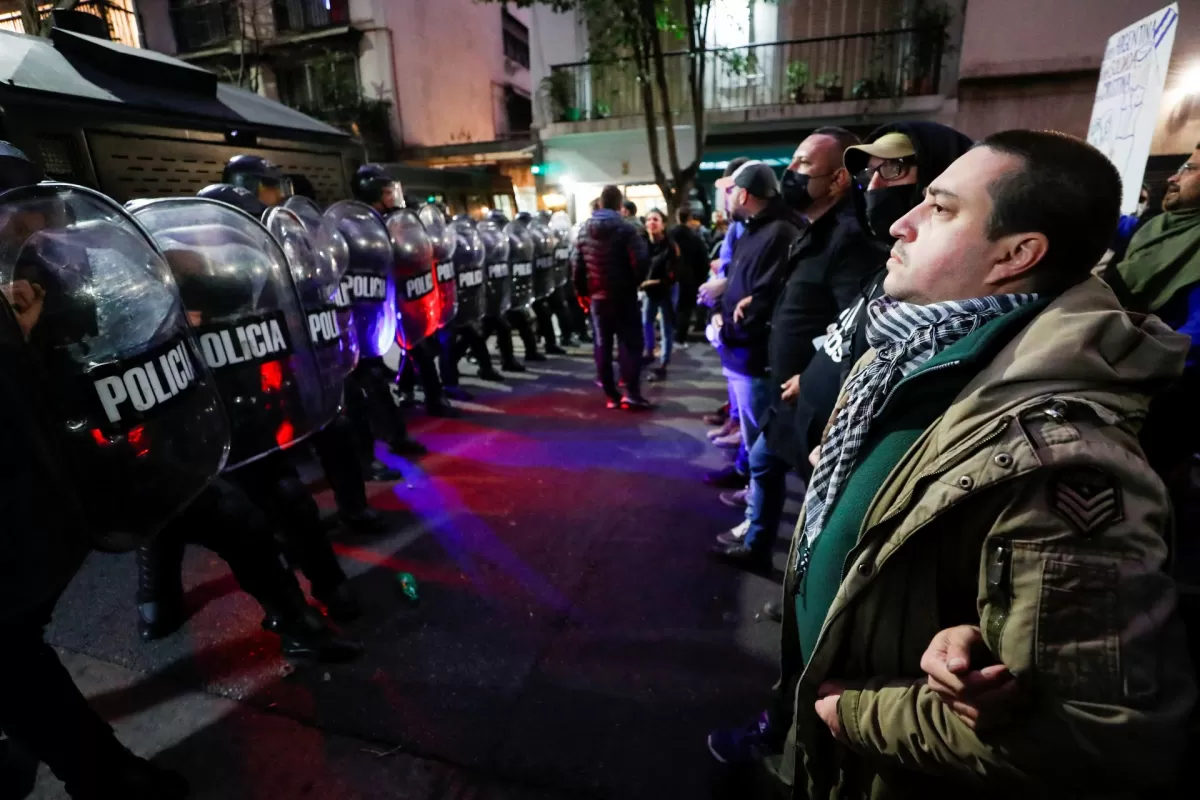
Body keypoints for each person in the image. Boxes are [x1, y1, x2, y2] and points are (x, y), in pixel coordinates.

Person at [709, 130, 1196, 798]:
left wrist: (850, 711)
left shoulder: (1066, 462)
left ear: (1016, 254)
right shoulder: (911, 346)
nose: (902, 223)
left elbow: (1096, 736)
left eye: (939, 208)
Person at [712, 122, 976, 570]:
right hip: (801, 396)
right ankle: (771, 551)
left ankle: (794, 564)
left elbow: (874, 331)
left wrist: (830, 385)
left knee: (824, 508)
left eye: (891, 170)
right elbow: (850, 316)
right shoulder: (819, 230)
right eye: (870, 173)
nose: (901, 224)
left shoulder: (857, 240)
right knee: (771, 468)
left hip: (822, 413)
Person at [709, 127, 879, 570]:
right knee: (763, 461)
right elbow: (798, 295)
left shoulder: (849, 238)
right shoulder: (812, 230)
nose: (791, 174)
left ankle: (810, 585)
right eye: (793, 162)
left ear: (840, 179)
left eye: (804, 165)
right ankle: (758, 544)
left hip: (812, 402)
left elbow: (860, 322)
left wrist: (814, 377)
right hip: (786, 395)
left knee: (820, 497)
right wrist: (757, 299)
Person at [703, 161, 805, 490]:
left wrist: (729, 330)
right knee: (752, 433)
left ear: (743, 195)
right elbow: (738, 282)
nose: (727, 199)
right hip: (740, 347)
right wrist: (720, 311)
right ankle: (745, 477)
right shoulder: (757, 227)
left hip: (753, 352)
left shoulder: (778, 232)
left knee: (760, 437)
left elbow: (765, 297)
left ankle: (754, 513)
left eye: (731, 192)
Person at [572, 185, 651, 409]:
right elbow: (641, 260)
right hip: (624, 295)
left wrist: (582, 293)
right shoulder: (626, 229)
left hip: (598, 297)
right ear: (619, 204)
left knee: (602, 344)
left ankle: (610, 394)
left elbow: (576, 265)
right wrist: (635, 282)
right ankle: (632, 393)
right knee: (630, 343)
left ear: (599, 203)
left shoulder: (584, 230)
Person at [640, 209, 679, 381]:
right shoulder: (642, 243)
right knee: (646, 321)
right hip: (649, 290)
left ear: (663, 224)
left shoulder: (671, 246)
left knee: (666, 326)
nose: (651, 223)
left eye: (655, 219)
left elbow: (671, 275)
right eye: (648, 219)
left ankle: (663, 362)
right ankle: (649, 352)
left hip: (666, 289)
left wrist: (648, 283)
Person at [669, 206, 710, 347]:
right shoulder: (694, 237)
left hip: (670, 276)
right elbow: (703, 260)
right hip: (689, 277)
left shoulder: (669, 234)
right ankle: (680, 338)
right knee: (685, 309)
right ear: (690, 219)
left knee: (670, 307)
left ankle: (669, 337)